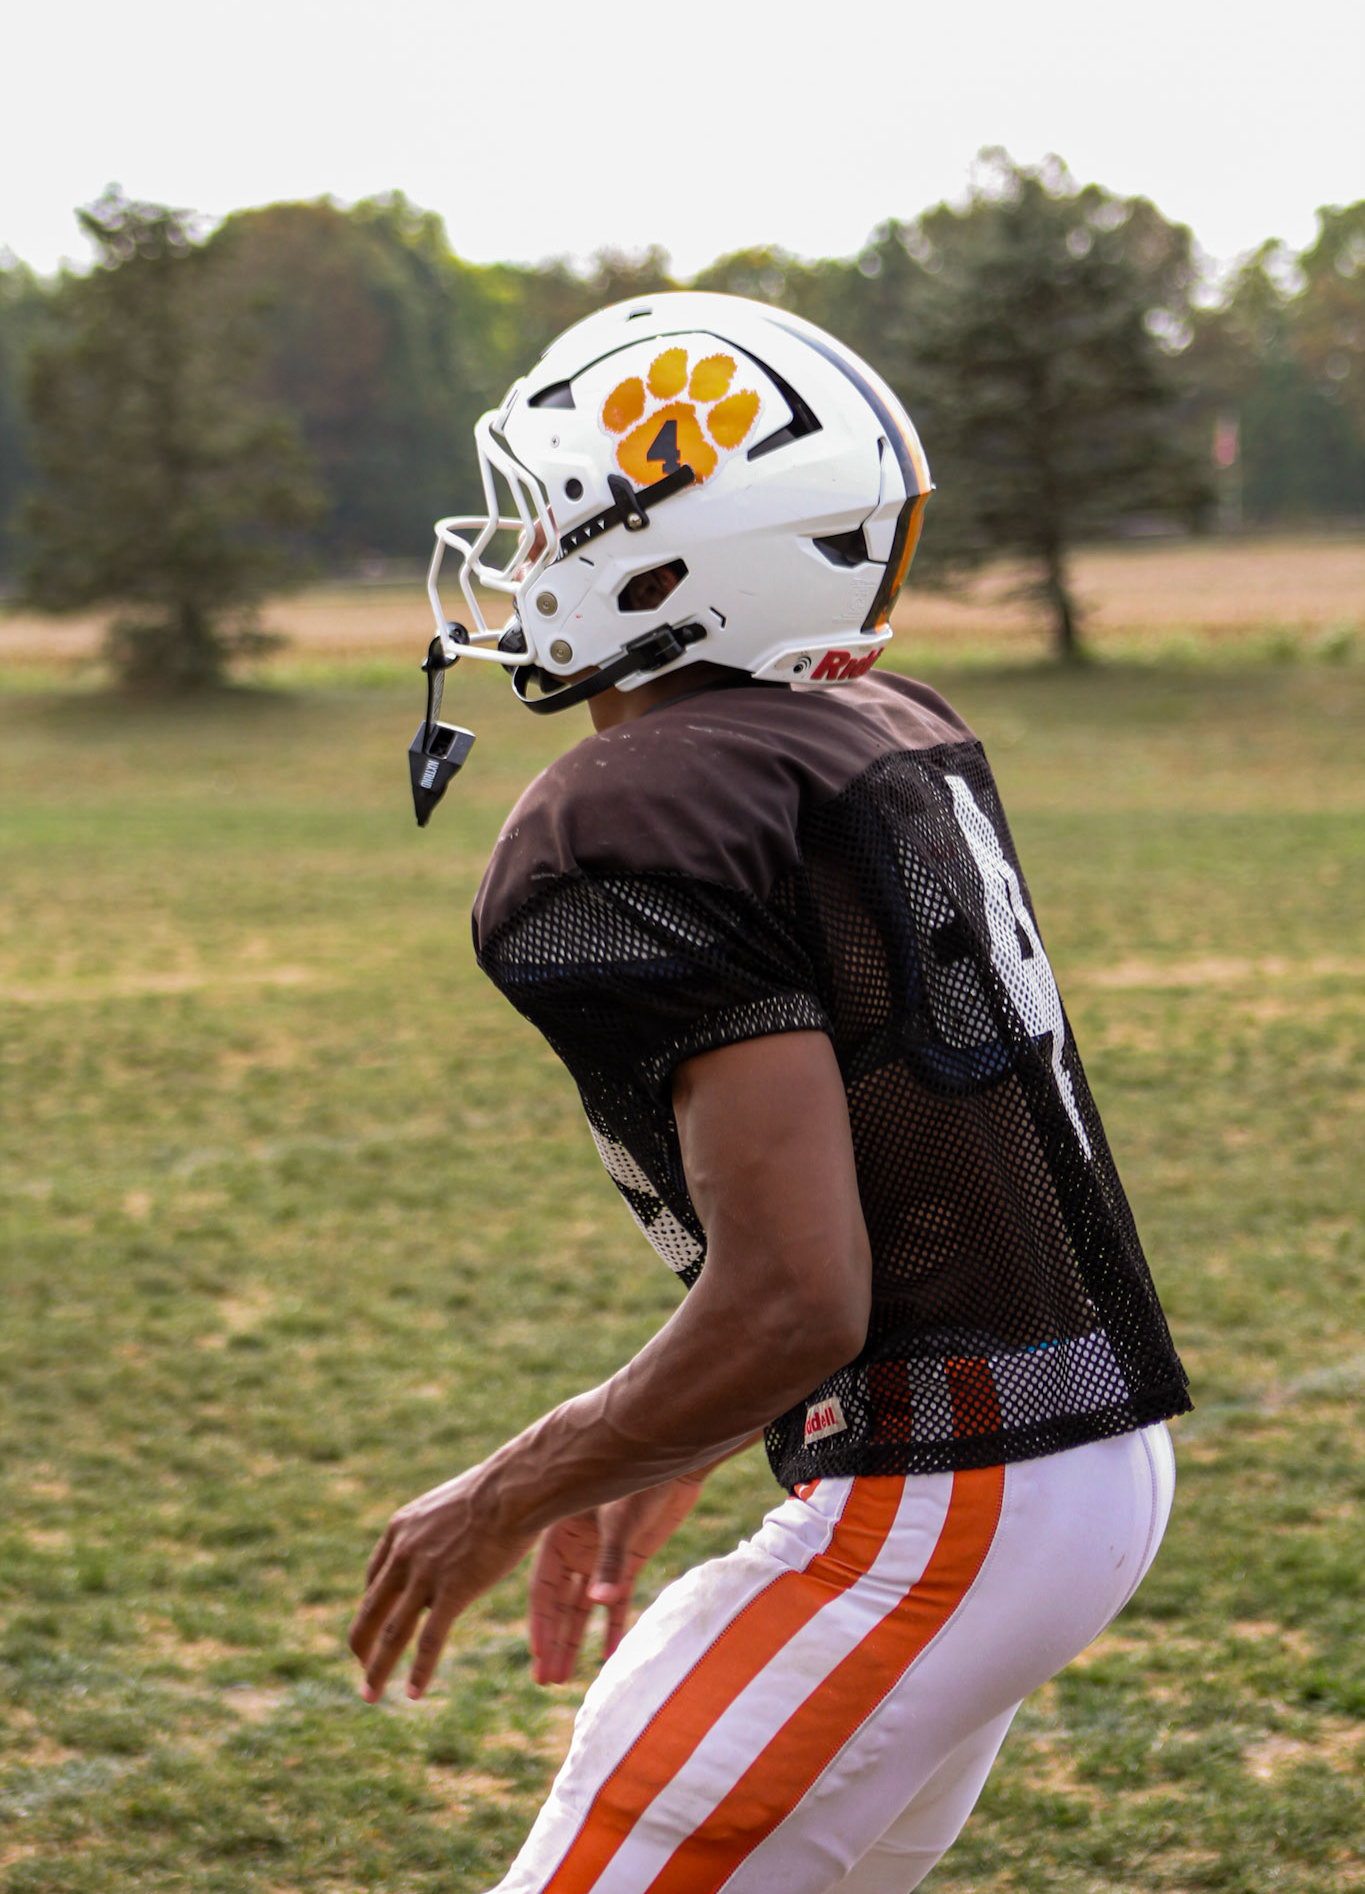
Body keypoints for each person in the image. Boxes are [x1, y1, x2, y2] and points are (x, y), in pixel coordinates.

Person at [351, 293, 1190, 1893]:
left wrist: (509, 1488)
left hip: (942, 1499)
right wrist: (685, 1420)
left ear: (667, 563)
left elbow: (802, 1293)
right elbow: (912, 1154)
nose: (517, 559)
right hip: (1066, 1447)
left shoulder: (635, 814)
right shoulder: (862, 727)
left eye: (555, 519)